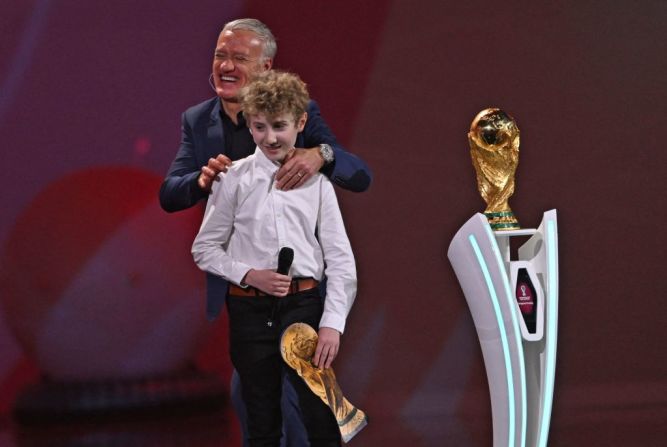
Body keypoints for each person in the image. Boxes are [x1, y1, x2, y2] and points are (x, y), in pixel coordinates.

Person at [158, 18, 371, 446]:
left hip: (303, 300)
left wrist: (320, 155)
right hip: (248, 301)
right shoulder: (200, 125)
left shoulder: (303, 124)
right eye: (221, 54)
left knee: (307, 409)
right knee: (257, 407)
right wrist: (202, 181)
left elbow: (357, 174)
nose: (227, 65)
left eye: (240, 57)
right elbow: (172, 195)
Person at [192, 70, 356, 447]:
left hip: (304, 306)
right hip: (250, 311)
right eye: (260, 127)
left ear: (299, 123)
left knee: (321, 416)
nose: (270, 138)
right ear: (249, 125)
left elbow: (340, 258)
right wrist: (250, 275)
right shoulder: (233, 179)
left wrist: (332, 323)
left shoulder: (318, 183)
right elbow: (205, 248)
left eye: (279, 126)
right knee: (261, 418)